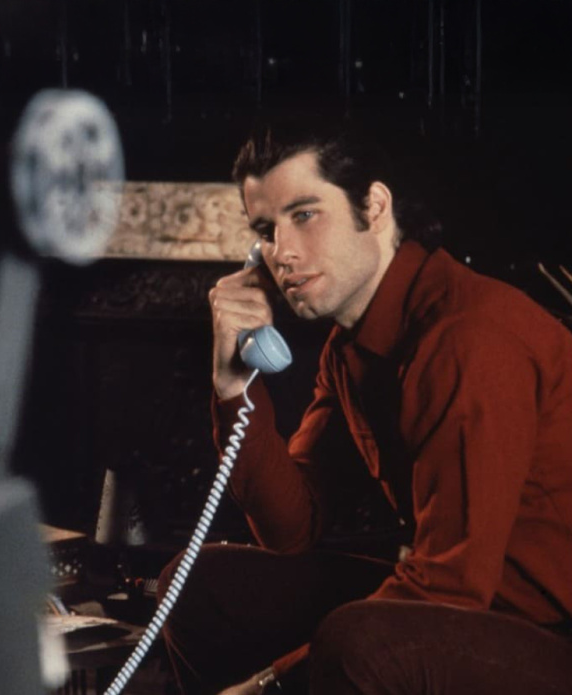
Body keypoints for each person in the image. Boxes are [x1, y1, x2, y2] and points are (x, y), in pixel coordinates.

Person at [157, 118, 572, 695]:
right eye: (266, 231)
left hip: (548, 634)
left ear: (374, 207)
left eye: (305, 215)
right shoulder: (351, 348)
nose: (283, 253)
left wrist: (267, 684)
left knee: (359, 642)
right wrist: (233, 386)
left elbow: (451, 588)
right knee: (196, 583)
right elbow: (291, 527)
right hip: (476, 615)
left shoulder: (469, 338)